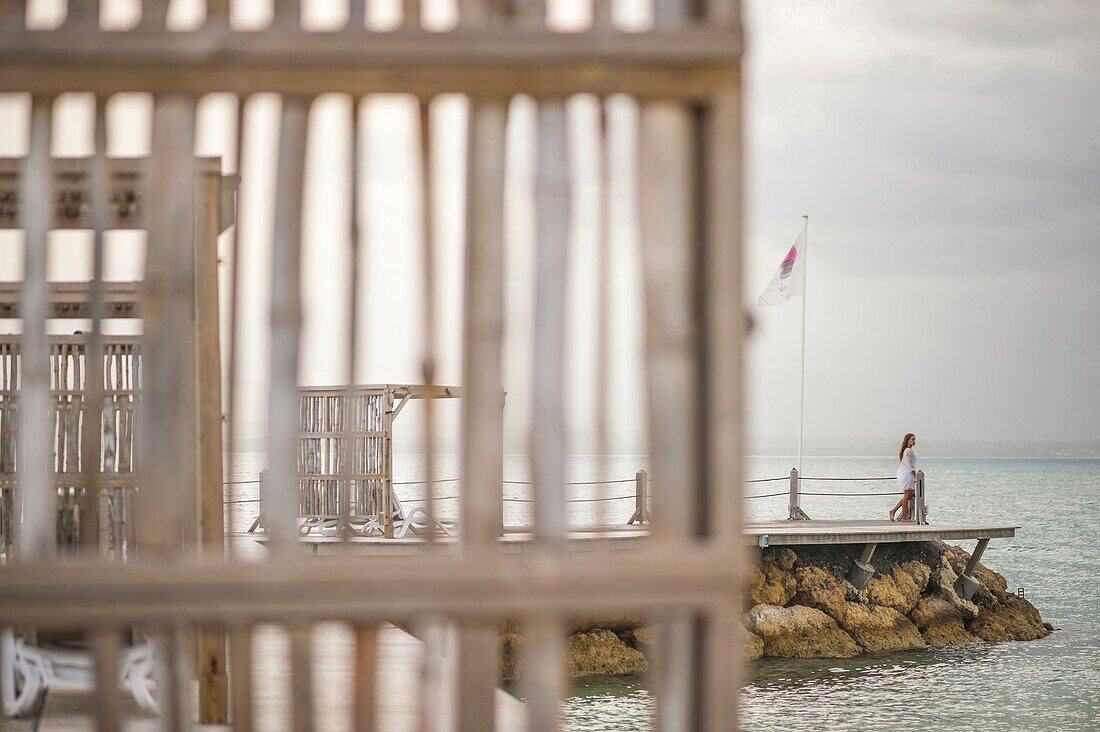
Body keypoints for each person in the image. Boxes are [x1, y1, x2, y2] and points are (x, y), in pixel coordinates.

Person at [889, 433, 917, 522]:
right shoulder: (908, 450)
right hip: (908, 474)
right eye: (912, 439)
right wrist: (913, 473)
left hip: (907, 473)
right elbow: (908, 464)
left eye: (914, 439)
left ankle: (893, 511)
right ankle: (904, 517)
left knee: (908, 496)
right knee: (907, 495)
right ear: (908, 440)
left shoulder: (907, 450)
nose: (914, 441)